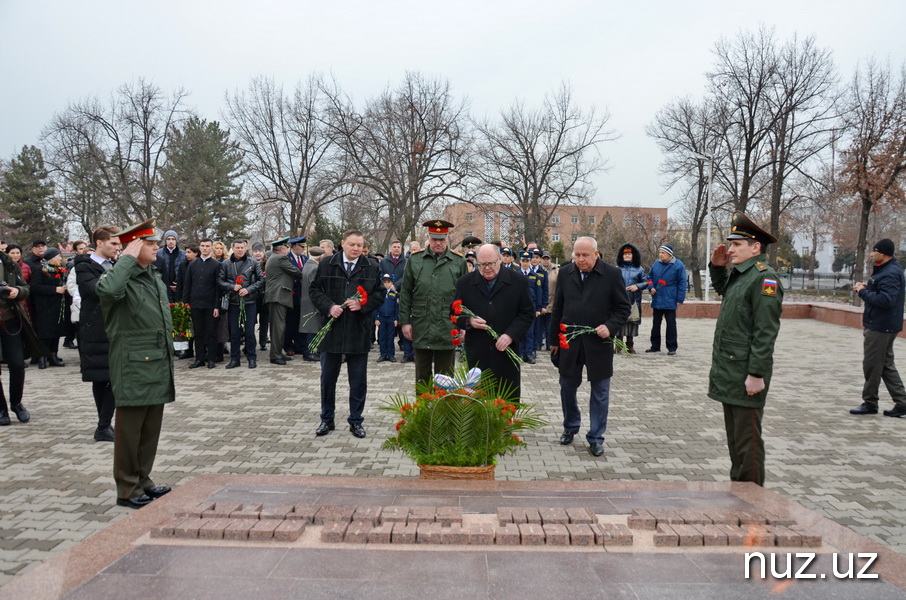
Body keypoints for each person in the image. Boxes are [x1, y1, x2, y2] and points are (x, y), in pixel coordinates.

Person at [96, 218, 174, 509]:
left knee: (149, 429)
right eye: (150, 243)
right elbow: (109, 292)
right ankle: (127, 489)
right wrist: (125, 259)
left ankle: (144, 480)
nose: (156, 248)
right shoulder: (118, 276)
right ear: (134, 247)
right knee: (130, 432)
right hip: (132, 364)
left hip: (156, 361)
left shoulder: (152, 275)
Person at [708, 212, 783, 487]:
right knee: (736, 441)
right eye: (731, 244)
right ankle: (738, 494)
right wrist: (717, 267)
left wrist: (756, 374)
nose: (730, 249)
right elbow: (724, 292)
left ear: (756, 248)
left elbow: (766, 332)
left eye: (737, 245)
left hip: (745, 373)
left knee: (748, 444)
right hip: (731, 370)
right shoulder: (743, 275)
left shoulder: (765, 279)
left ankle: (753, 503)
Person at [550, 236, 630, 457]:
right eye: (577, 255)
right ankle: (570, 426)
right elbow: (558, 308)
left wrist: (610, 326)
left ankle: (596, 437)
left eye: (585, 255)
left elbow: (623, 308)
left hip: (598, 343)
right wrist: (554, 341)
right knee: (567, 386)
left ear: (596, 254)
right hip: (571, 342)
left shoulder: (612, 275)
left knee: (600, 392)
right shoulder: (566, 273)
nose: (580, 260)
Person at [309, 230, 385, 438]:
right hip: (331, 330)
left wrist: (363, 305)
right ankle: (327, 419)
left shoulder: (372, 267)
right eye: (352, 244)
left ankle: (356, 421)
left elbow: (380, 294)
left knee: (358, 380)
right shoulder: (326, 264)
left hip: (358, 330)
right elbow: (315, 291)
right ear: (342, 244)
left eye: (359, 245)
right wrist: (329, 307)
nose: (356, 248)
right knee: (328, 379)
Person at [454, 244, 535, 399]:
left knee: (506, 404)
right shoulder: (464, 283)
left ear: (500, 260)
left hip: (506, 354)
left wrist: (511, 335)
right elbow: (454, 312)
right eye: (482, 265)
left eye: (490, 263)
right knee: (477, 403)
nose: (487, 268)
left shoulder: (518, 282)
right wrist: (469, 321)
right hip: (478, 352)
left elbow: (527, 314)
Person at [399, 220, 468, 386]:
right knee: (422, 375)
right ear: (428, 238)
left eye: (442, 239)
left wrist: (464, 324)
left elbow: (465, 296)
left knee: (446, 377)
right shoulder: (415, 260)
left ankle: (443, 410)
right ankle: (424, 410)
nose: (438, 243)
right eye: (434, 239)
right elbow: (406, 293)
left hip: (448, 326)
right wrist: (405, 322)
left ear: (447, 238)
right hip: (422, 324)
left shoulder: (458, 262)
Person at [850, 238, 906, 418]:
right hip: (884, 324)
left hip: (881, 326)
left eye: (874, 251)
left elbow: (886, 300)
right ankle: (902, 402)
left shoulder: (889, 272)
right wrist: (868, 288)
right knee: (886, 365)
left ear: (883, 253)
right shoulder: (886, 270)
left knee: (872, 365)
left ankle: (870, 403)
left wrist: (862, 292)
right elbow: (884, 293)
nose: (872, 254)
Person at [75, 226, 121, 442]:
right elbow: (98, 290)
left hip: (116, 328)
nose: (118, 248)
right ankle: (103, 426)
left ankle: (104, 425)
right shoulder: (85, 266)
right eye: (113, 243)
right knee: (100, 378)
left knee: (115, 376)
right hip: (95, 329)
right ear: (99, 242)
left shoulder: (116, 265)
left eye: (119, 244)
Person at [0, 249, 37, 426]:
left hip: (10, 321)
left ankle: (16, 403)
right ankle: (1, 409)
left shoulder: (9, 264)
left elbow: (26, 288)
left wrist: (17, 291)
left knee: (17, 364)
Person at [218, 239, 264, 369]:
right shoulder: (226, 264)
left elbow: (261, 280)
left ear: (245, 248)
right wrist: (232, 286)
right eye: (237, 247)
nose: (240, 250)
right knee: (235, 333)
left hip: (249, 301)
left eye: (242, 248)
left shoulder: (253, 262)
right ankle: (235, 359)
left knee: (249, 332)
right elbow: (220, 281)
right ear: (232, 248)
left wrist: (248, 289)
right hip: (233, 302)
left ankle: (251, 358)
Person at [264, 237, 304, 365]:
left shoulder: (273, 258)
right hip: (278, 297)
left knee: (279, 326)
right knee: (278, 327)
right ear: (282, 249)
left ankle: (277, 353)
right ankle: (275, 356)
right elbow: (296, 272)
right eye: (286, 248)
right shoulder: (280, 258)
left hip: (276, 296)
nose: (287, 250)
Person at [182, 239, 222, 369]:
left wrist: (217, 306)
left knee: (211, 332)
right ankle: (199, 358)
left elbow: (218, 288)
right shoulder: (193, 265)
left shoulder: (216, 265)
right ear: (200, 248)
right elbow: (187, 285)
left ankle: (211, 358)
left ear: (211, 248)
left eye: (207, 246)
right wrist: (185, 303)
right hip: (196, 303)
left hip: (210, 304)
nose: (205, 248)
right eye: (203, 246)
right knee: (198, 332)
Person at [30, 247, 67, 368]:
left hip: (57, 305)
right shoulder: (40, 269)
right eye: (58, 256)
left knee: (55, 332)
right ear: (51, 258)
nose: (60, 258)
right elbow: (35, 287)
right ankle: (42, 356)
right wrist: (54, 289)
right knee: (44, 333)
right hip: (44, 306)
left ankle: (53, 355)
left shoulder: (59, 270)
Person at [646, 244, 687, 355]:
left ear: (669, 254)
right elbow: (649, 278)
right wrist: (651, 287)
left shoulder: (678, 265)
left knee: (671, 324)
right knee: (655, 324)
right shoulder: (656, 264)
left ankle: (672, 347)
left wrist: (680, 299)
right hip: (657, 298)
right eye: (659, 252)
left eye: (663, 253)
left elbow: (682, 283)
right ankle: (655, 346)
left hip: (670, 298)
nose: (660, 255)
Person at [380, 240, 413, 362]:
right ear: (391, 248)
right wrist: (387, 285)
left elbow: (406, 276)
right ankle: (385, 352)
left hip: (401, 293)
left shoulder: (406, 262)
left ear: (401, 249)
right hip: (387, 295)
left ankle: (405, 351)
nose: (396, 249)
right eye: (394, 247)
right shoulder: (384, 261)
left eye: (398, 247)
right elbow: (381, 274)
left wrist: (396, 285)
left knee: (402, 322)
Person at [616, 243, 648, 354]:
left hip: (633, 301)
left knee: (632, 323)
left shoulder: (639, 269)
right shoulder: (617, 269)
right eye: (625, 254)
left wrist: (637, 286)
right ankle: (618, 346)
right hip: (619, 300)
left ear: (634, 255)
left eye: (629, 254)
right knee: (619, 322)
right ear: (621, 256)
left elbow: (646, 282)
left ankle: (630, 345)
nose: (627, 256)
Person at [298, 247, 325, 361]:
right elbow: (315, 287)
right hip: (312, 302)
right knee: (313, 328)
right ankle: (310, 352)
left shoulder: (307, 265)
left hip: (306, 300)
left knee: (310, 326)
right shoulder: (314, 268)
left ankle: (309, 351)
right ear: (319, 257)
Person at [283, 237, 308, 356]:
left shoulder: (305, 258)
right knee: (290, 322)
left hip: (303, 295)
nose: (303, 249)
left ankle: (300, 345)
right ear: (294, 247)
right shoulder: (287, 259)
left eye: (304, 247)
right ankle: (288, 345)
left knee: (301, 321)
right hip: (291, 294)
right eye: (301, 246)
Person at [516, 251, 542, 364]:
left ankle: (529, 353)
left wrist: (538, 309)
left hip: (531, 308)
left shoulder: (535, 276)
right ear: (520, 261)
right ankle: (520, 353)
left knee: (530, 332)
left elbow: (539, 293)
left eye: (527, 261)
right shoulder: (515, 275)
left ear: (530, 261)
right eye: (523, 261)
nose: (525, 263)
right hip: (518, 308)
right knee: (520, 331)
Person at [154, 229, 186, 303]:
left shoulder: (183, 254)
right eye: (168, 239)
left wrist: (180, 285)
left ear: (176, 240)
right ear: (165, 240)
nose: (171, 241)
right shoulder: (158, 253)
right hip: (162, 287)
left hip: (179, 289)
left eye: (173, 239)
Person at [375, 274, 399, 362]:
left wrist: (396, 318)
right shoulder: (379, 294)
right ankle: (383, 354)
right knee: (382, 337)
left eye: (388, 282)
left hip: (391, 318)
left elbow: (397, 308)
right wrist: (376, 318)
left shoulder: (395, 294)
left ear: (391, 283)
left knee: (390, 337)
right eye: (384, 282)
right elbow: (375, 307)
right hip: (381, 318)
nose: (386, 284)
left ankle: (391, 354)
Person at [251, 242, 270, 351]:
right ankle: (251, 342)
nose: (258, 253)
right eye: (255, 251)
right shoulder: (249, 263)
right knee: (251, 320)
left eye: (260, 251)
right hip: (253, 295)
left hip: (264, 295)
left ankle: (263, 341)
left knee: (264, 320)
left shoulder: (267, 263)